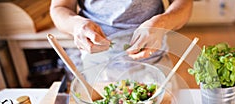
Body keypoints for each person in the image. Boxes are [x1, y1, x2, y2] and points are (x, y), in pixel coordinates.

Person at [50, 0, 193, 82]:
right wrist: (76, 25)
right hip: (98, 64)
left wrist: (162, 23)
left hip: (154, 59)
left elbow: (184, 4)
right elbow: (60, 8)